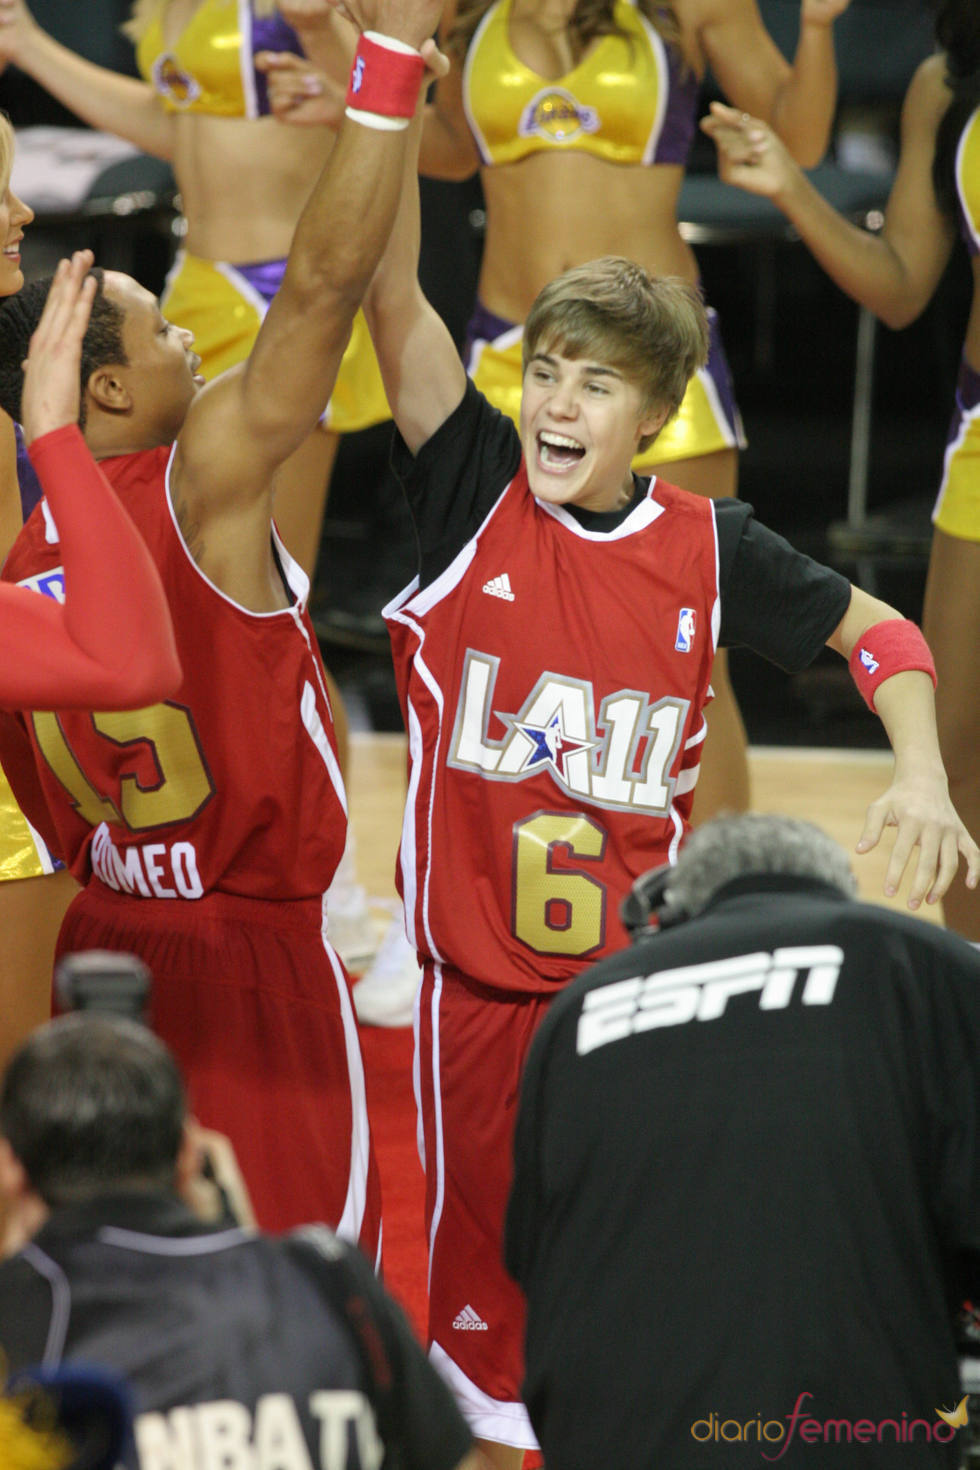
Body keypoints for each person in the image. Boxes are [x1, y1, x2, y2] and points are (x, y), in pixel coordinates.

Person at [353, 84, 980, 1464]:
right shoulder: (469, 492)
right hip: (484, 1003)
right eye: (547, 372)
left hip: (646, 997)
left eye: (597, 383)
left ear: (658, 410)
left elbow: (880, 633)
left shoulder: (712, 545)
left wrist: (924, 775)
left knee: (649, 1312)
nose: (559, 405)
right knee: (486, 1370)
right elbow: (387, 285)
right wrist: (382, 78)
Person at [0, 0, 445, 1247]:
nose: (190, 336)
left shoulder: (25, 555)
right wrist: (392, 67)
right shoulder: (208, 482)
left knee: (119, 1283)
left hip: (98, 939)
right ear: (106, 389)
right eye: (165, 331)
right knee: (289, 1288)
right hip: (247, 954)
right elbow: (319, 292)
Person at [262, 0, 853, 827]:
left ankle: (712, 900)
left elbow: (802, 137)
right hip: (508, 356)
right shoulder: (467, 18)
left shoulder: (688, 10)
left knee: (689, 656)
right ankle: (486, 877)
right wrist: (353, 92)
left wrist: (819, 29)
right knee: (484, 639)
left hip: (649, 373)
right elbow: (454, 153)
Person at [505, 812, 980, 1469]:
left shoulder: (581, 1007)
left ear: (679, 913)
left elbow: (531, 1255)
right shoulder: (914, 957)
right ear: (833, 891)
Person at [701, 0, 980, 945]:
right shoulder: (947, 85)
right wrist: (789, 186)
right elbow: (902, 281)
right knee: (958, 747)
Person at [0, 1011, 480, 1470]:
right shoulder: (329, 1276)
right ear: (190, 1155)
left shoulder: (25, 1310)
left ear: (12, 1168)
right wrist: (238, 1235)